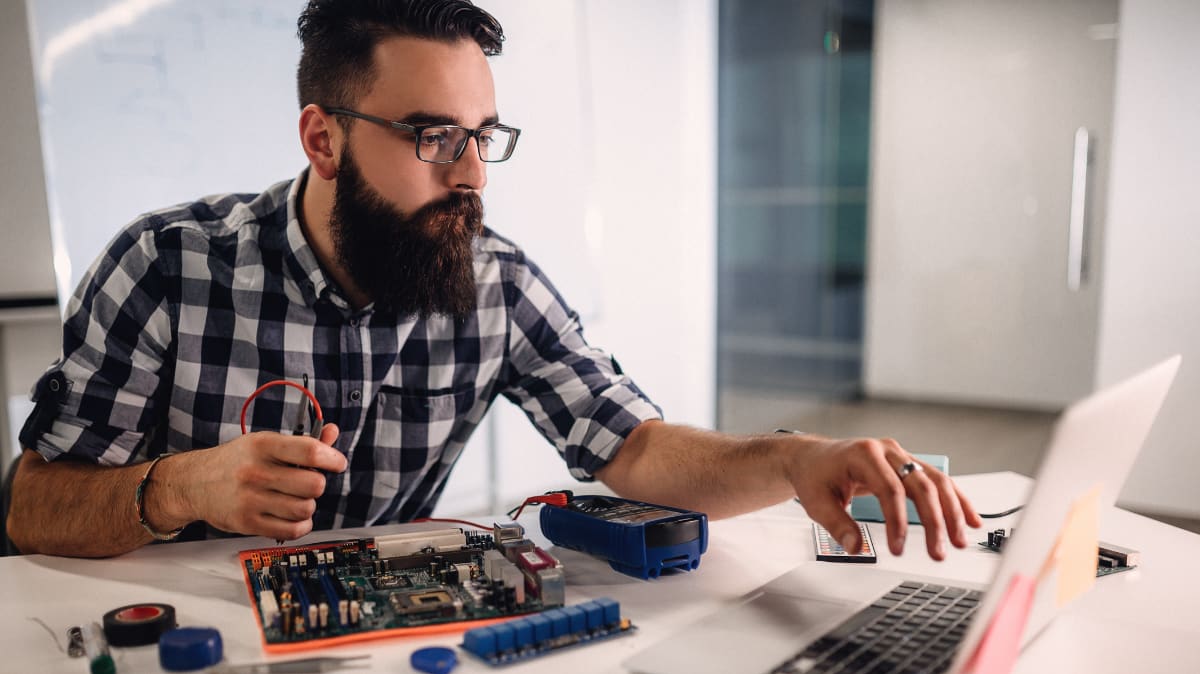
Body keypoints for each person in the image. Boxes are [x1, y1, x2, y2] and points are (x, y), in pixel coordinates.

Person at [7, 0, 980, 559]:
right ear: (322, 137)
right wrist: (178, 488)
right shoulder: (168, 268)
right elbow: (31, 506)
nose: (469, 172)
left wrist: (791, 460)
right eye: (433, 136)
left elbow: (632, 448)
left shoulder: (494, 282)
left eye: (482, 137)